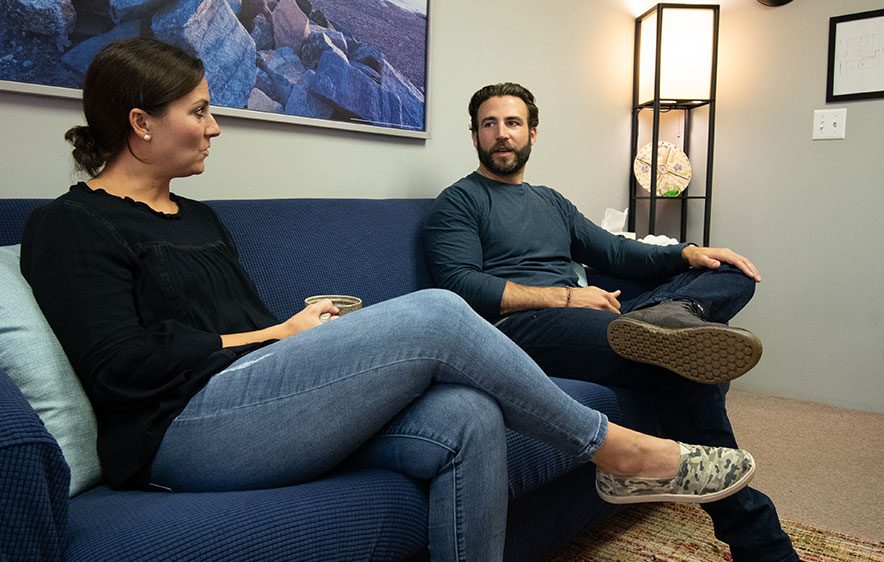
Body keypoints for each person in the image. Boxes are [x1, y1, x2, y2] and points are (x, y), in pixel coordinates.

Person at [21, 42, 756, 562]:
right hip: (176, 434)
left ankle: (661, 342)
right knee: (437, 310)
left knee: (467, 416)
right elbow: (120, 366)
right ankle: (618, 449)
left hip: (255, 400)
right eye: (200, 111)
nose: (215, 126)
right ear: (141, 123)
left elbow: (250, 332)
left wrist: (302, 338)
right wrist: (279, 333)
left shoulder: (200, 218)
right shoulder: (68, 224)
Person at [422, 82, 798, 561]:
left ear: (533, 133)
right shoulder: (459, 202)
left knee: (726, 273)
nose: (501, 134)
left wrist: (688, 252)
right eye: (489, 125)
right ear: (474, 136)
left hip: (586, 319)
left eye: (512, 123)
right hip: (520, 330)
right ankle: (762, 542)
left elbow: (614, 250)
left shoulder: (550, 201)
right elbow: (459, 287)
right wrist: (567, 297)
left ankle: (671, 318)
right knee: (679, 363)